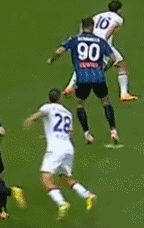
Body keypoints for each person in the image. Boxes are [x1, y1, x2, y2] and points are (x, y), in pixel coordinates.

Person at [24, 89, 98, 221]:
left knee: (46, 179)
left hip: (55, 148)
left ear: (50, 98)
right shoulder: (68, 113)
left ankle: (61, 203)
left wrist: (30, 120)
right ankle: (88, 195)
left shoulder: (47, 107)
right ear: (60, 99)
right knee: (65, 178)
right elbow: (71, 133)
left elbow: (38, 116)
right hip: (68, 147)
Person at [48, 18, 121, 147]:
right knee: (105, 102)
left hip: (82, 78)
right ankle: (113, 131)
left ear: (82, 26)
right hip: (98, 77)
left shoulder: (75, 39)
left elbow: (59, 51)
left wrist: (52, 59)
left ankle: (87, 134)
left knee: (80, 104)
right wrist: (104, 68)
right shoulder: (100, 41)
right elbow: (112, 58)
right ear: (93, 27)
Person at [65, 0, 138, 102]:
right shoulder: (119, 19)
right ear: (119, 10)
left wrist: (81, 37)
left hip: (90, 42)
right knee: (120, 66)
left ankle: (69, 87)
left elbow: (85, 25)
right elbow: (111, 30)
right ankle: (123, 94)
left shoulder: (98, 15)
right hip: (102, 45)